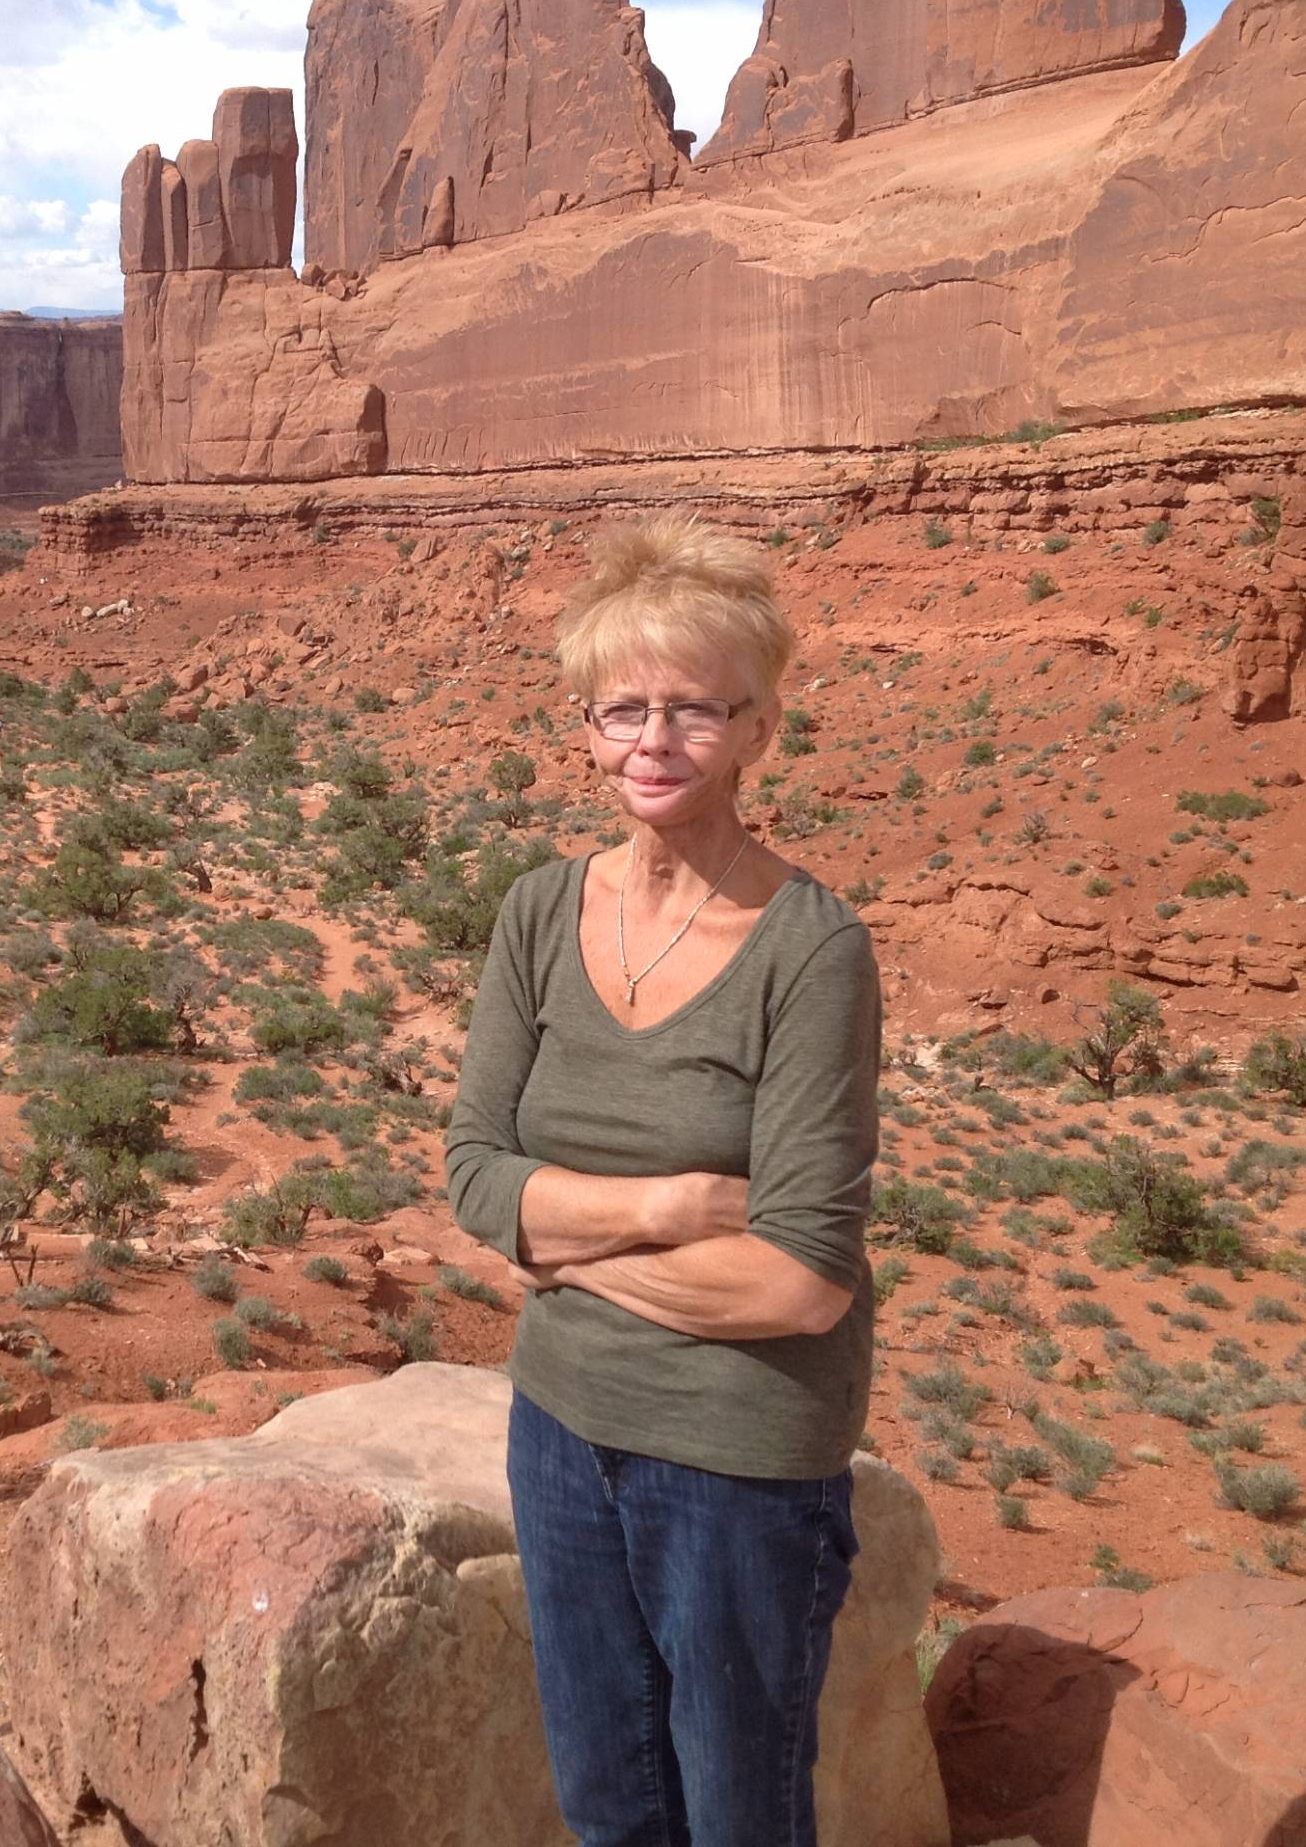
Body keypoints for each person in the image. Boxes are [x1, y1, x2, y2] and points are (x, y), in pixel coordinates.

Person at [444, 515, 882, 1846]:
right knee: (611, 1809)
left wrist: (561, 1247)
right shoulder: (538, 913)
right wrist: (671, 1208)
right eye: (622, 707)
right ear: (583, 725)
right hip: (561, 1435)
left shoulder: (812, 951)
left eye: (695, 709)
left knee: (740, 1816)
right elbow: (474, 1177)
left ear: (759, 728)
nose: (653, 740)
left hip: (738, 1461)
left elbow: (802, 1283)